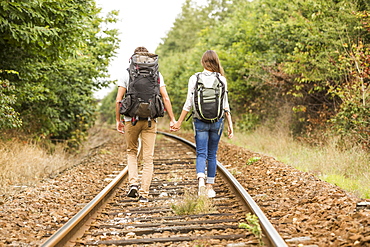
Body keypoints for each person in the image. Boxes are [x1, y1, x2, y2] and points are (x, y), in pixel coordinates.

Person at [116, 46, 176, 202]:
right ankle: (144, 194)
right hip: (150, 120)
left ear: (134, 58)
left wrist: (118, 120)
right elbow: (165, 97)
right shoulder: (156, 74)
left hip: (131, 119)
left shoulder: (127, 73)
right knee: (148, 158)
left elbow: (118, 100)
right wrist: (172, 118)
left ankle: (133, 184)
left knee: (131, 152)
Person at [171, 50, 233, 198]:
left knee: (201, 153)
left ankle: (200, 181)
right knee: (212, 154)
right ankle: (210, 187)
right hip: (217, 121)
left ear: (203, 62)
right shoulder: (221, 80)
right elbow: (225, 105)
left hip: (199, 120)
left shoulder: (195, 78)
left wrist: (178, 122)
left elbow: (188, 104)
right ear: (216, 62)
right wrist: (230, 125)